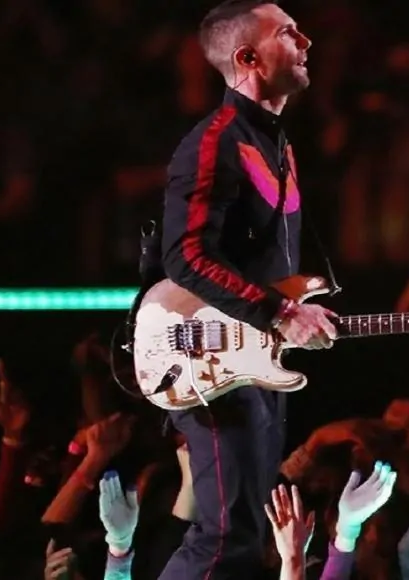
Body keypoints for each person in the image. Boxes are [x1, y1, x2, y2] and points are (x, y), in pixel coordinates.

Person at [158, 1, 336, 577]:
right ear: (248, 58)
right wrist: (279, 312)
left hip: (257, 360)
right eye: (288, 33)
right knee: (225, 536)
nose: (306, 41)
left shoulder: (276, 143)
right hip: (212, 361)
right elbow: (185, 256)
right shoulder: (214, 142)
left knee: (248, 535)